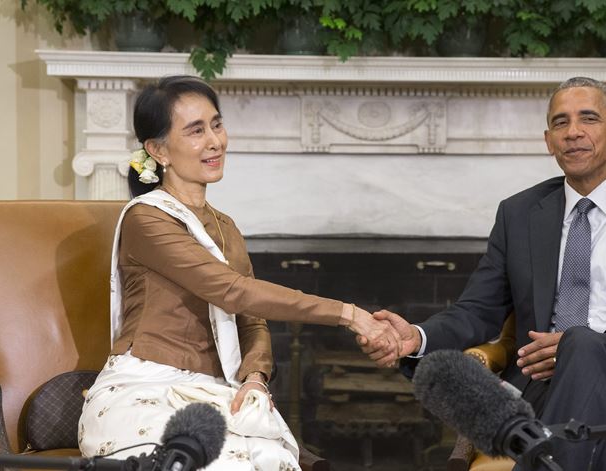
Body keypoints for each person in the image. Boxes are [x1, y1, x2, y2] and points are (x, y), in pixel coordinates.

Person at [360, 77, 606, 470]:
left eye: (589, 118)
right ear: (548, 141)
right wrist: (418, 336)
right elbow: (476, 311)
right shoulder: (519, 215)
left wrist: (594, 345)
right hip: (547, 387)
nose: (573, 132)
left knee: (583, 345)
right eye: (560, 123)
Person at [79, 75, 398, 471]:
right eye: (196, 131)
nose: (215, 141)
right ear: (158, 149)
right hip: (148, 388)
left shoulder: (226, 226)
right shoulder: (146, 219)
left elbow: (252, 321)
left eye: (217, 124)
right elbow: (234, 292)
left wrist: (255, 378)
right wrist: (349, 313)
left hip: (221, 392)